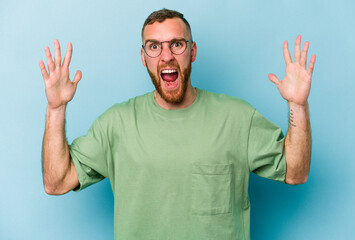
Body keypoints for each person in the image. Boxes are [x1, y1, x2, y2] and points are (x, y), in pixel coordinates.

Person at [39, 8, 316, 240]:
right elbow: (57, 182)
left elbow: (296, 172)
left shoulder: (238, 117)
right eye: (154, 46)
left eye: (177, 44)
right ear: (144, 57)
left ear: (192, 51)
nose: (166, 55)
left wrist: (298, 105)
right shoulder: (117, 123)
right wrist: (56, 108)